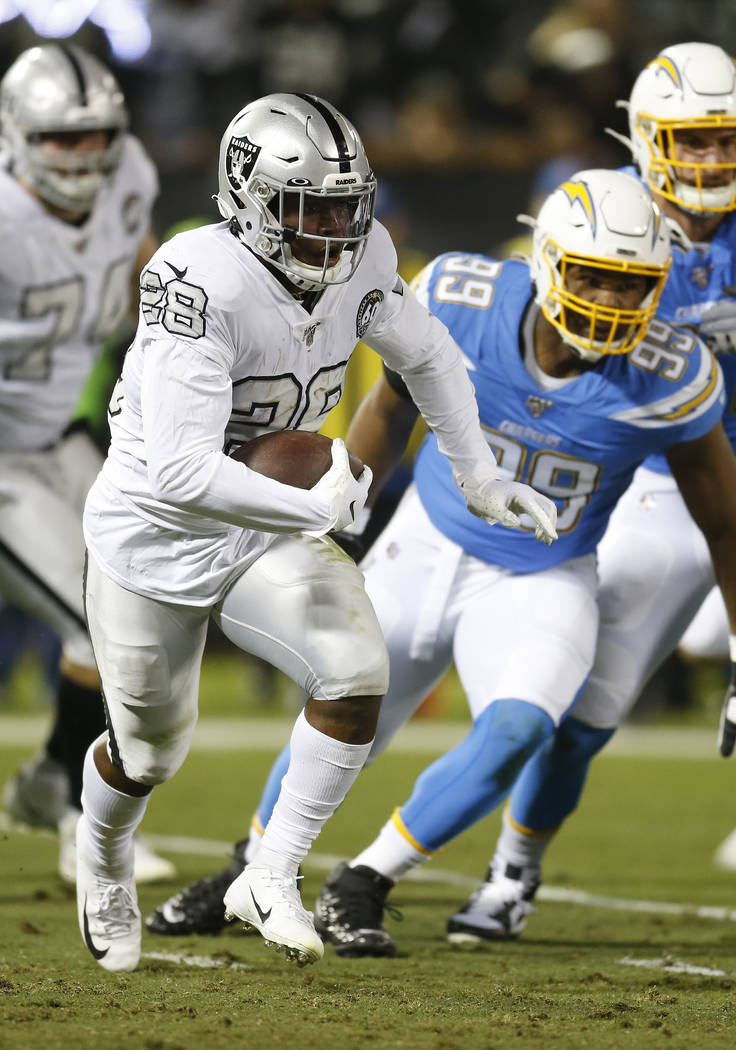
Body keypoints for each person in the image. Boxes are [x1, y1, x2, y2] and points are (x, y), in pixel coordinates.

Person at [146, 164, 734, 954]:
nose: (616, 303)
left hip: (542, 572)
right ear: (550, 261)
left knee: (523, 726)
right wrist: (337, 521)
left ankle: (365, 880)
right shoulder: (463, 296)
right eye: (598, 277)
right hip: (424, 541)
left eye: (637, 285)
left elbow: (725, 524)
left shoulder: (674, 376)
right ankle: (248, 868)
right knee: (344, 700)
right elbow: (388, 410)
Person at [76, 90, 557, 973]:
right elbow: (183, 471)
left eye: (349, 202)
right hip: (158, 529)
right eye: (314, 206)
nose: (339, 224)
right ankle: (102, 857)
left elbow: (431, 355)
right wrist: (316, 503)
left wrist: (481, 475)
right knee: (147, 751)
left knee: (356, 670)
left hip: (264, 523)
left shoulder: (363, 254)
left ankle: (270, 870)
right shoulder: (197, 279)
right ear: (249, 197)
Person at [427, 39, 736, 945]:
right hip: (645, 488)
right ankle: (513, 871)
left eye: (727, 140)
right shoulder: (607, 215)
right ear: (645, 136)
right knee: (585, 714)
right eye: (694, 140)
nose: (714, 160)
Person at [0, 43, 173, 885]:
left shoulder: (130, 174)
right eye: (63, 139)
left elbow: (141, 263)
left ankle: (46, 785)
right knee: (97, 618)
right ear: (17, 134)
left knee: (127, 607)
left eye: (98, 133)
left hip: (57, 435)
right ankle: (77, 818)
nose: (86, 154)